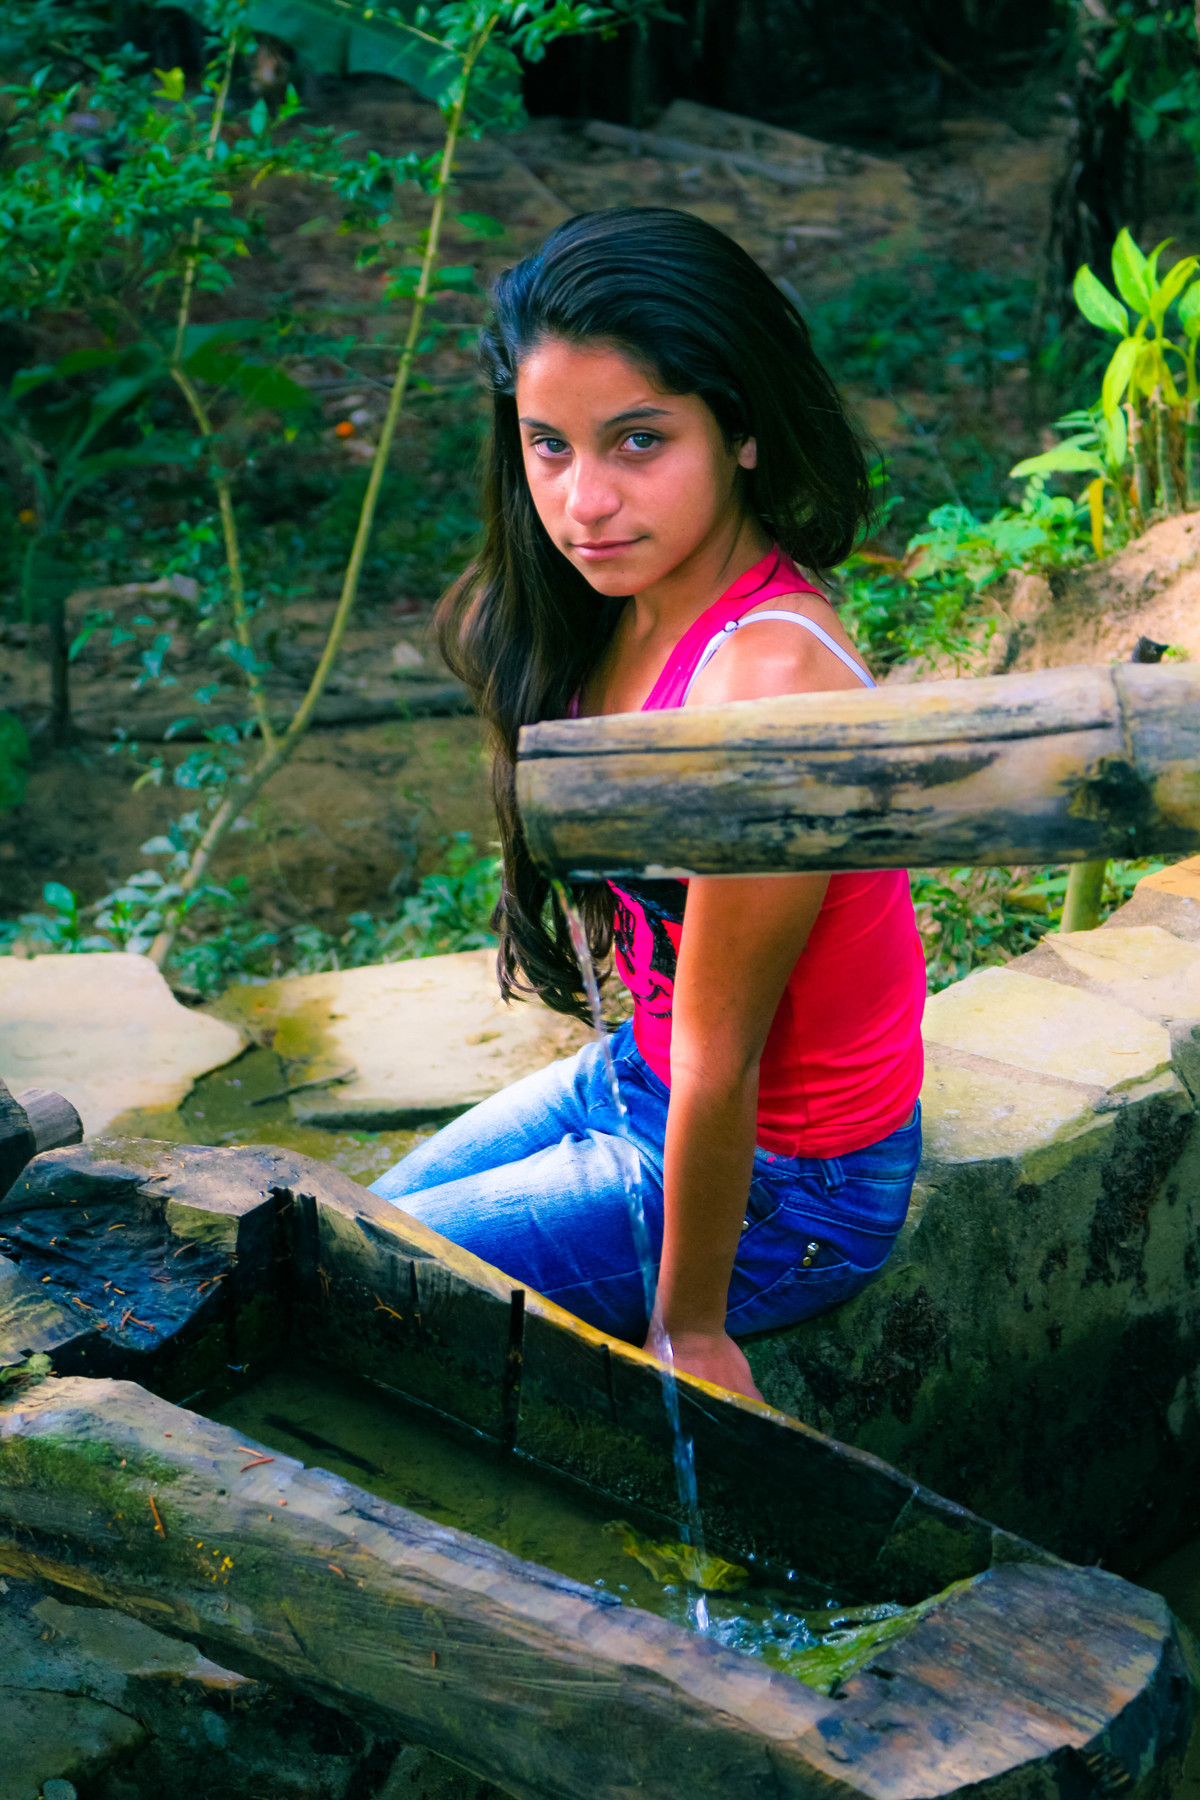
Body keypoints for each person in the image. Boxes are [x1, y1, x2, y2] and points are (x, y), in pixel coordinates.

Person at [371, 207, 926, 1402]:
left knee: (358, 1283)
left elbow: (726, 1061)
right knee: (342, 1224)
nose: (583, 502)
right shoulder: (621, 606)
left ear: (743, 431)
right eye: (550, 446)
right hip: (640, 1078)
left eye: (637, 441)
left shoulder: (768, 690)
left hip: (795, 1184)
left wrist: (691, 1327)